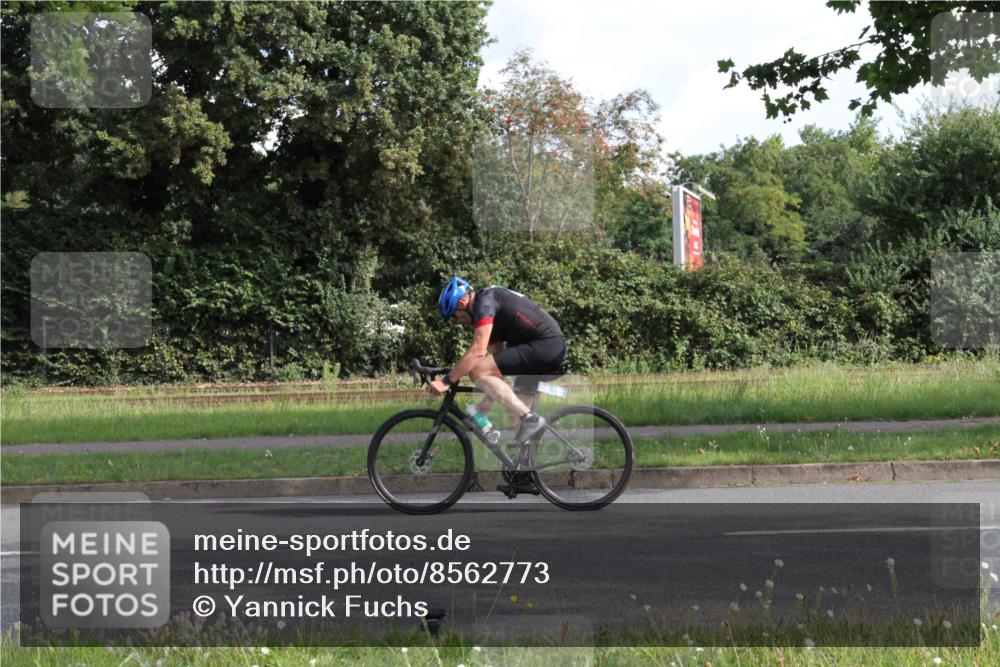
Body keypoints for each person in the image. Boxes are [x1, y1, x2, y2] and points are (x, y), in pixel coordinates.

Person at [427, 276, 566, 445]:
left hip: (547, 346)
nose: (459, 322)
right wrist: (487, 401)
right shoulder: (490, 316)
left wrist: (447, 380)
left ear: (462, 302)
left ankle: (531, 420)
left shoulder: (485, 302)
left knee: (476, 369)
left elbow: (478, 352)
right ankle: (524, 466)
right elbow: (496, 366)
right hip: (544, 349)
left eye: (456, 316)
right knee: (514, 411)